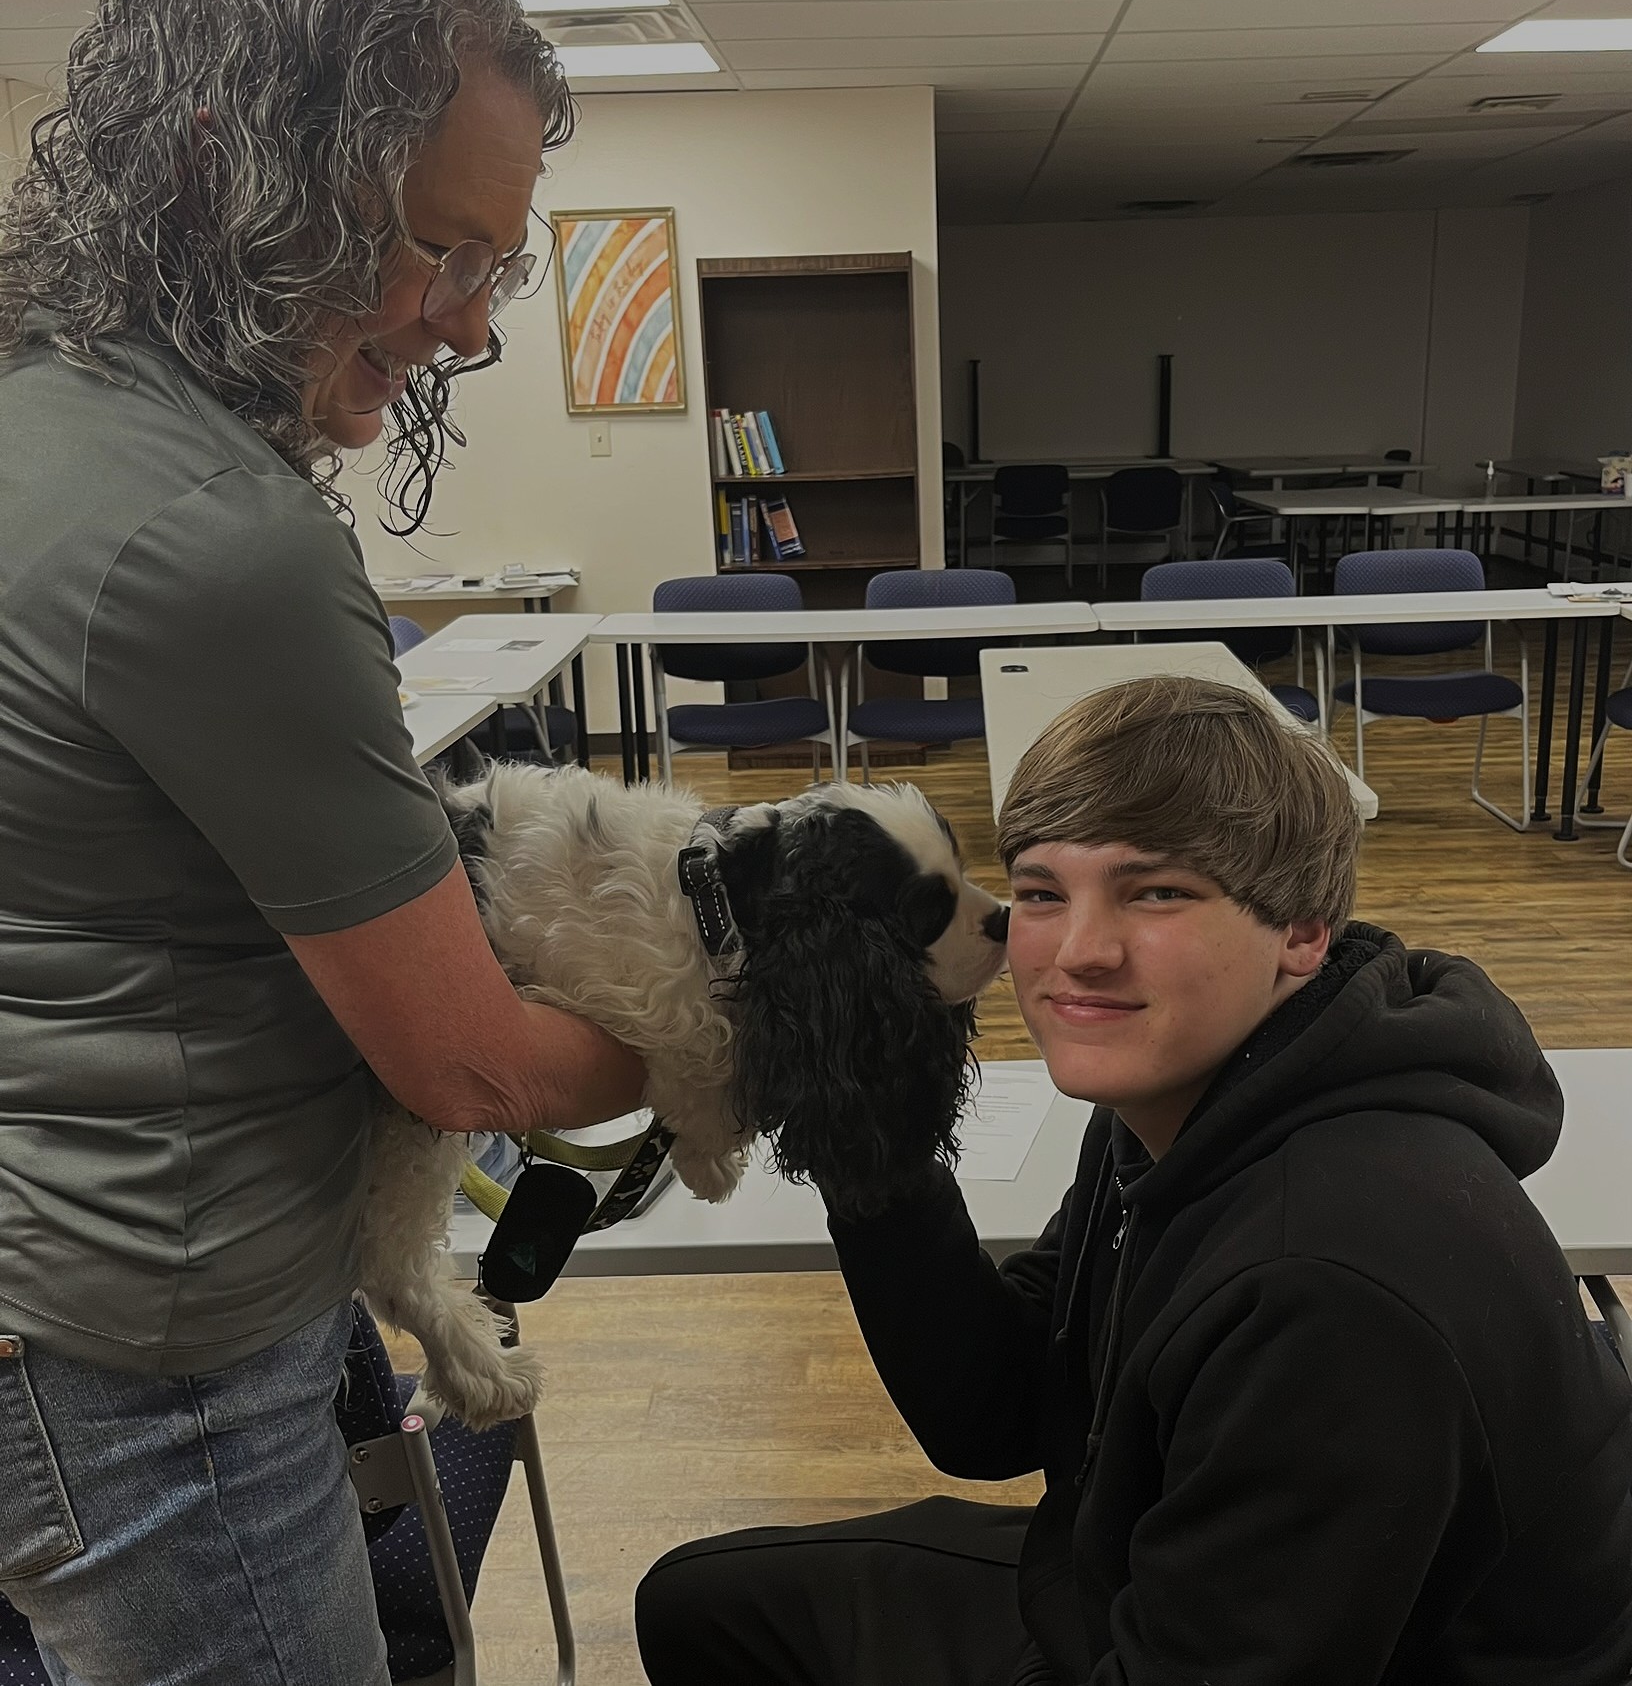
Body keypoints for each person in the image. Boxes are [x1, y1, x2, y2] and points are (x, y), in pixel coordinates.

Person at [0, 0, 646, 1682]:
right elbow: (469, 1062)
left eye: (495, 260)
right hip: (160, 1368)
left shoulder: (38, 409)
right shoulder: (217, 537)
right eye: (438, 246)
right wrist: (745, 1037)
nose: (472, 321)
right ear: (228, 166)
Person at [636, 677, 1632, 1686]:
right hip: (1137, 1573)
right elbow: (990, 1409)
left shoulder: (1327, 1284)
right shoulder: (1197, 1093)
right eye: (1040, 892)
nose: (1079, 952)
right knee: (702, 1606)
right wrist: (868, 1118)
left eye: (1156, 892)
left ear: (1302, 928)